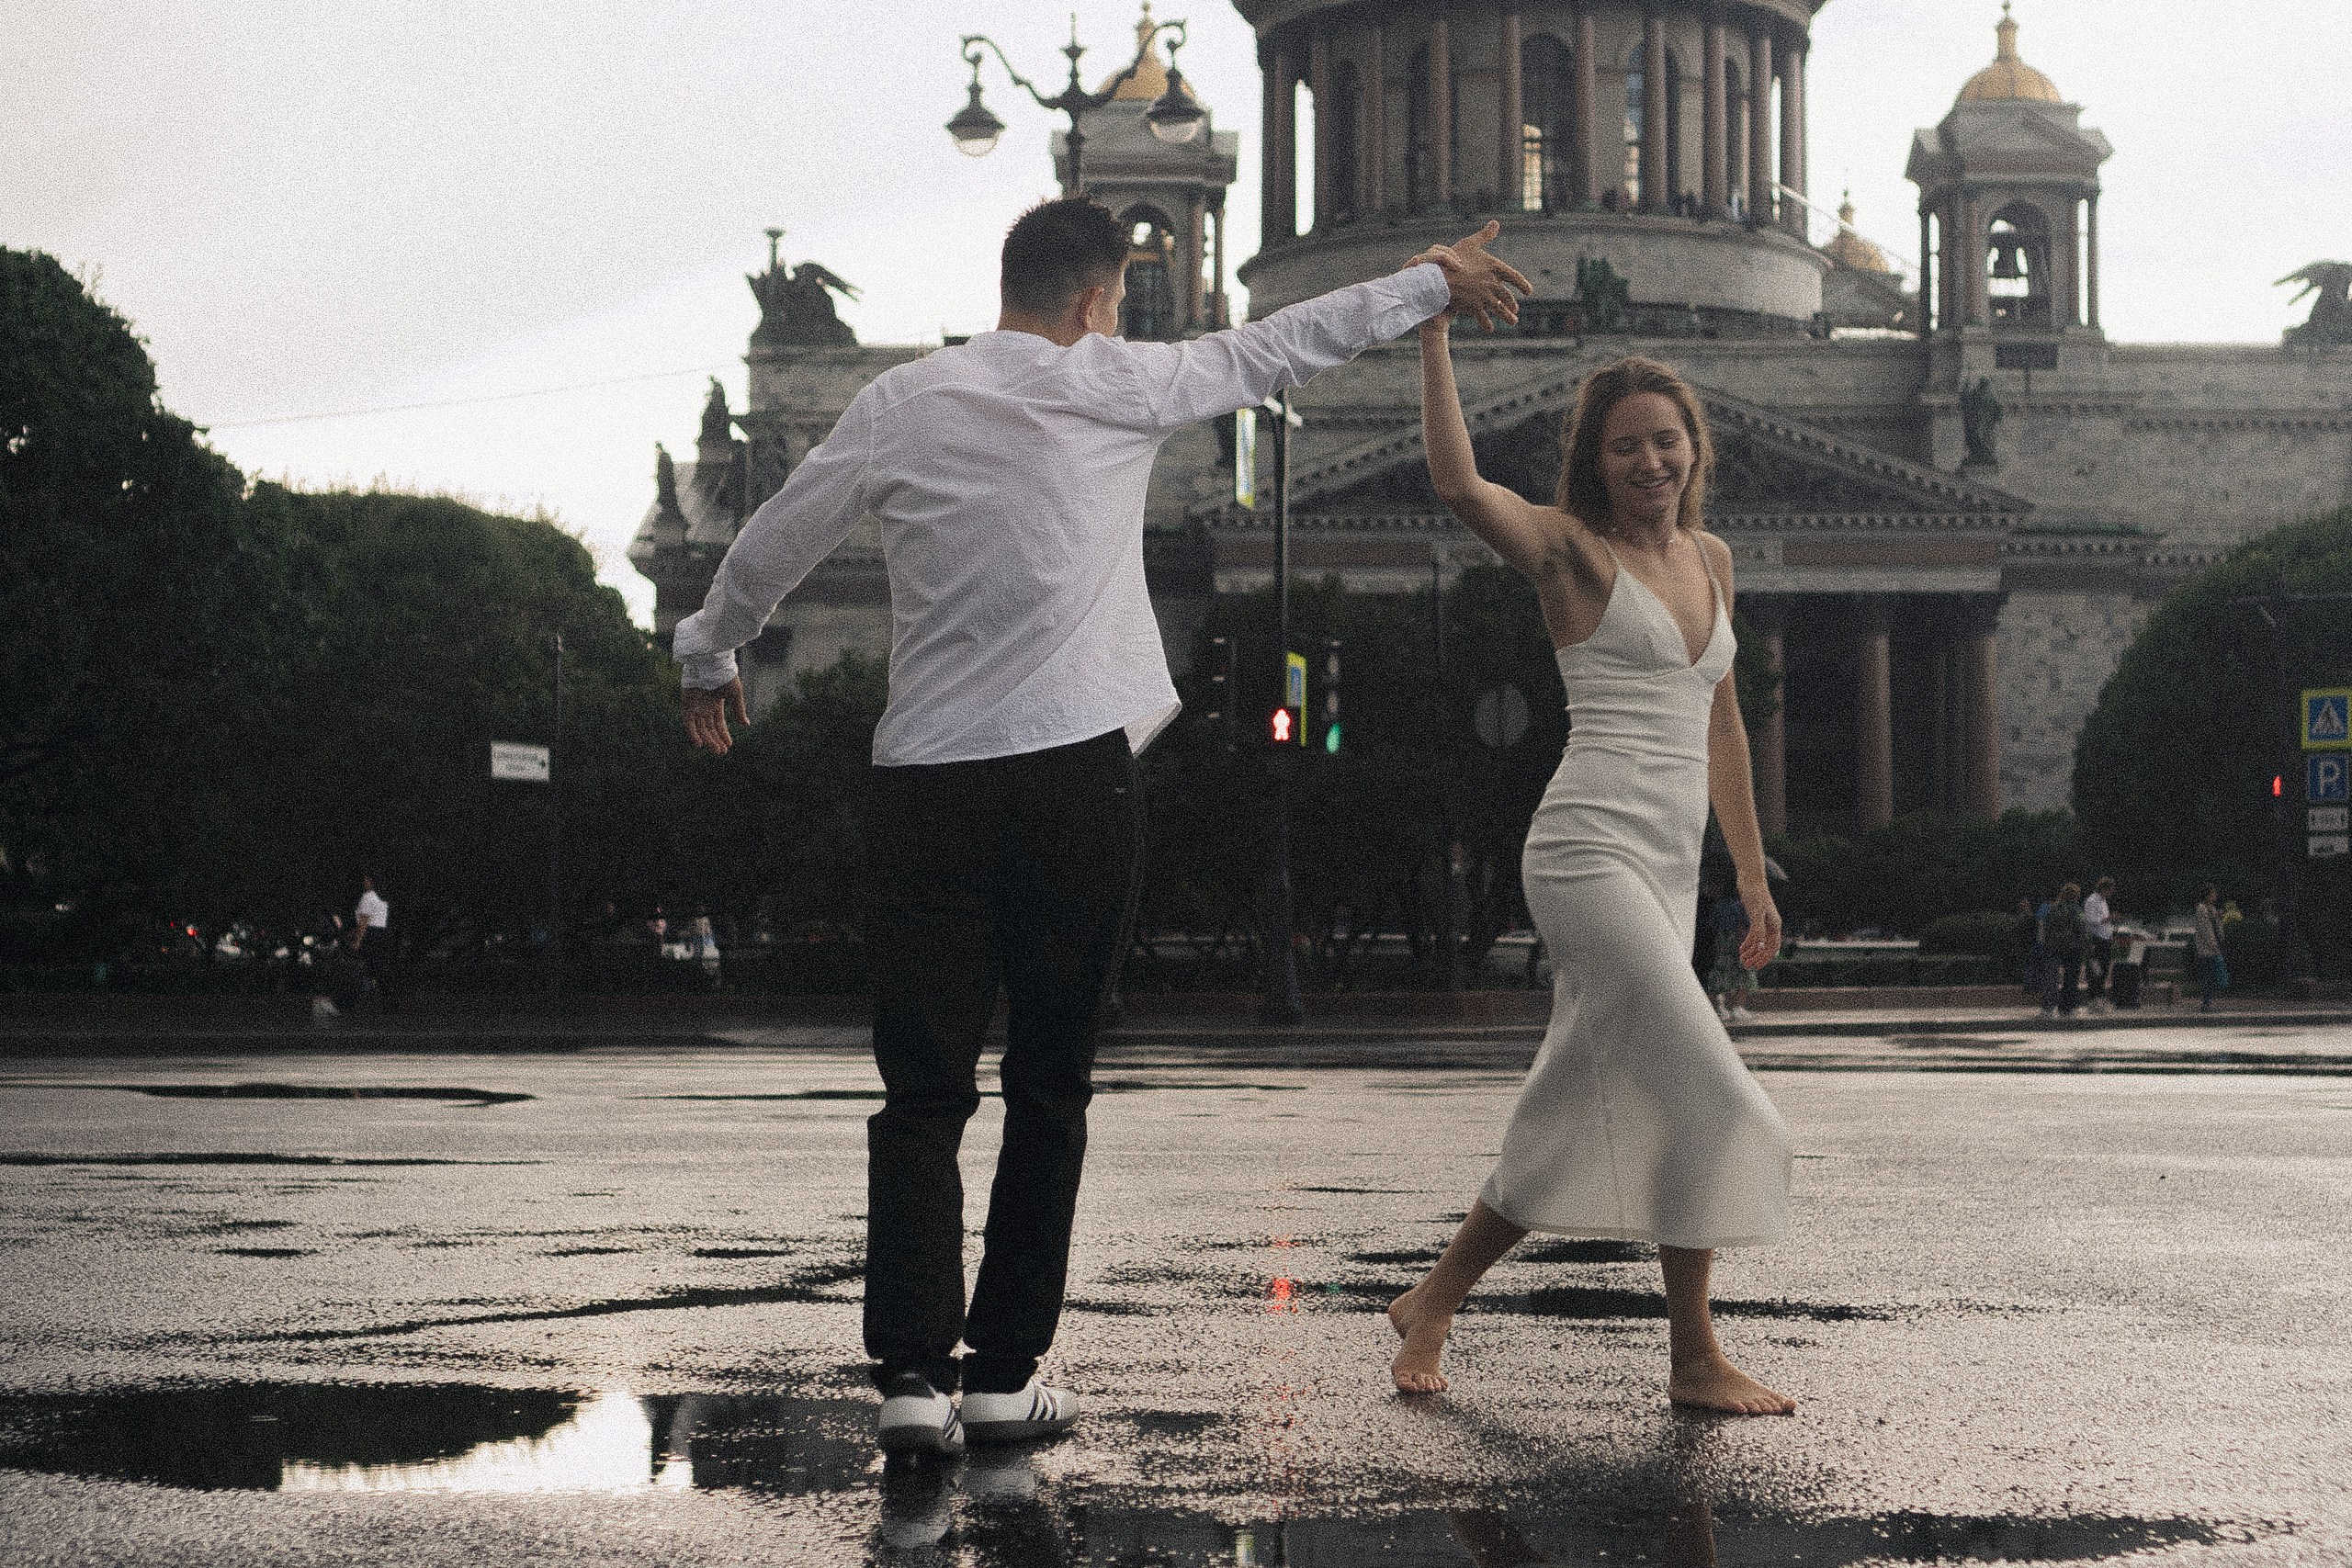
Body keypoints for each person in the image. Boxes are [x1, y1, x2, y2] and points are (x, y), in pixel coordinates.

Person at [673, 197, 1531, 1455]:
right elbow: (1280, 347)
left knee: (920, 1090)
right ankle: (1003, 1375)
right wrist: (1426, 284)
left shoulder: (901, 402)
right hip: (1072, 783)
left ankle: (911, 1375)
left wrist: (708, 650)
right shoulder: (1121, 381)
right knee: (1048, 1086)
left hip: (923, 786)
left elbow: (777, 539)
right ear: (1097, 300)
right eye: (1119, 299)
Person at [1384, 337, 1794, 1416]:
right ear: (1596, 462)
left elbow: (1724, 729)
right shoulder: (1570, 550)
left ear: (1695, 446)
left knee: (1588, 1095)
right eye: (1626, 447)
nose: (1650, 461)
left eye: (1666, 439)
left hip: (1666, 865)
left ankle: (1435, 1295)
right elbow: (1456, 483)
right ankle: (1696, 1353)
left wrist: (1747, 876)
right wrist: (1432, 332)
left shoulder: (1712, 561)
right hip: (1585, 851)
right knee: (1708, 1085)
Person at [2040, 882, 2086, 1019]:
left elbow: (2046, 929)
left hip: (2054, 948)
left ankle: (2048, 1008)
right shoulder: (2077, 911)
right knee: (2071, 979)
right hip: (2073, 949)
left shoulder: (2053, 909)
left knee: (2051, 979)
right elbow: (2082, 930)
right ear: (2076, 896)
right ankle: (2067, 1008)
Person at [353, 874, 394, 1011]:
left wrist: (357, 940)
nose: (364, 882)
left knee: (365, 967)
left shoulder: (368, 896)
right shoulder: (383, 897)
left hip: (371, 934)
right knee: (380, 967)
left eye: (366, 880)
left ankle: (363, 998)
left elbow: (364, 921)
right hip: (382, 934)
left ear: (371, 882)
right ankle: (386, 999)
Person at [2082, 875, 2117, 1012]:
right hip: (2095, 940)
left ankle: (2099, 998)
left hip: (2105, 939)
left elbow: (2104, 923)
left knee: (2104, 969)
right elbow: (2091, 920)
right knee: (2095, 970)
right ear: (2104, 888)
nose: (2112, 892)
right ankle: (2093, 999)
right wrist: (2108, 918)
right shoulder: (2092, 901)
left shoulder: (2103, 902)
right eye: (2110, 889)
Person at [2192, 884, 2225, 1012]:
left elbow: (2216, 926)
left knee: (2211, 977)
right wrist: (2215, 946)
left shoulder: (2211, 908)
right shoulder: (2202, 909)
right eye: (2212, 893)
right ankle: (2206, 1003)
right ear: (2207, 895)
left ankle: (2208, 1002)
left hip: (2213, 948)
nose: (2215, 895)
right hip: (2207, 949)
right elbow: (2206, 931)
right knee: (2208, 976)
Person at [2014, 895, 2044, 998]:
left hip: (2032, 946)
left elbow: (2037, 933)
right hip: (2028, 946)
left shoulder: (2031, 918)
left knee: (2032, 967)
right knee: (2031, 967)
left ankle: (2033, 987)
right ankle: (2031, 987)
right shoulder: (2026, 918)